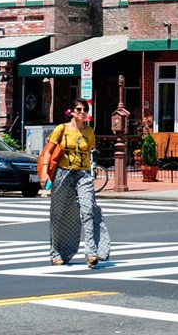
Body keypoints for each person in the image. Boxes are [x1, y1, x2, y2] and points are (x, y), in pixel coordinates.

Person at [44, 98, 110, 267]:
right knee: (59, 214)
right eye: (79, 109)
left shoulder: (89, 132)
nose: (82, 113)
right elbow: (48, 152)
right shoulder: (62, 129)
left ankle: (91, 252)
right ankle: (56, 252)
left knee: (88, 211)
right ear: (72, 112)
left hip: (83, 174)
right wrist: (45, 173)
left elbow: (90, 153)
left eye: (85, 110)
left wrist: (92, 170)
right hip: (63, 173)